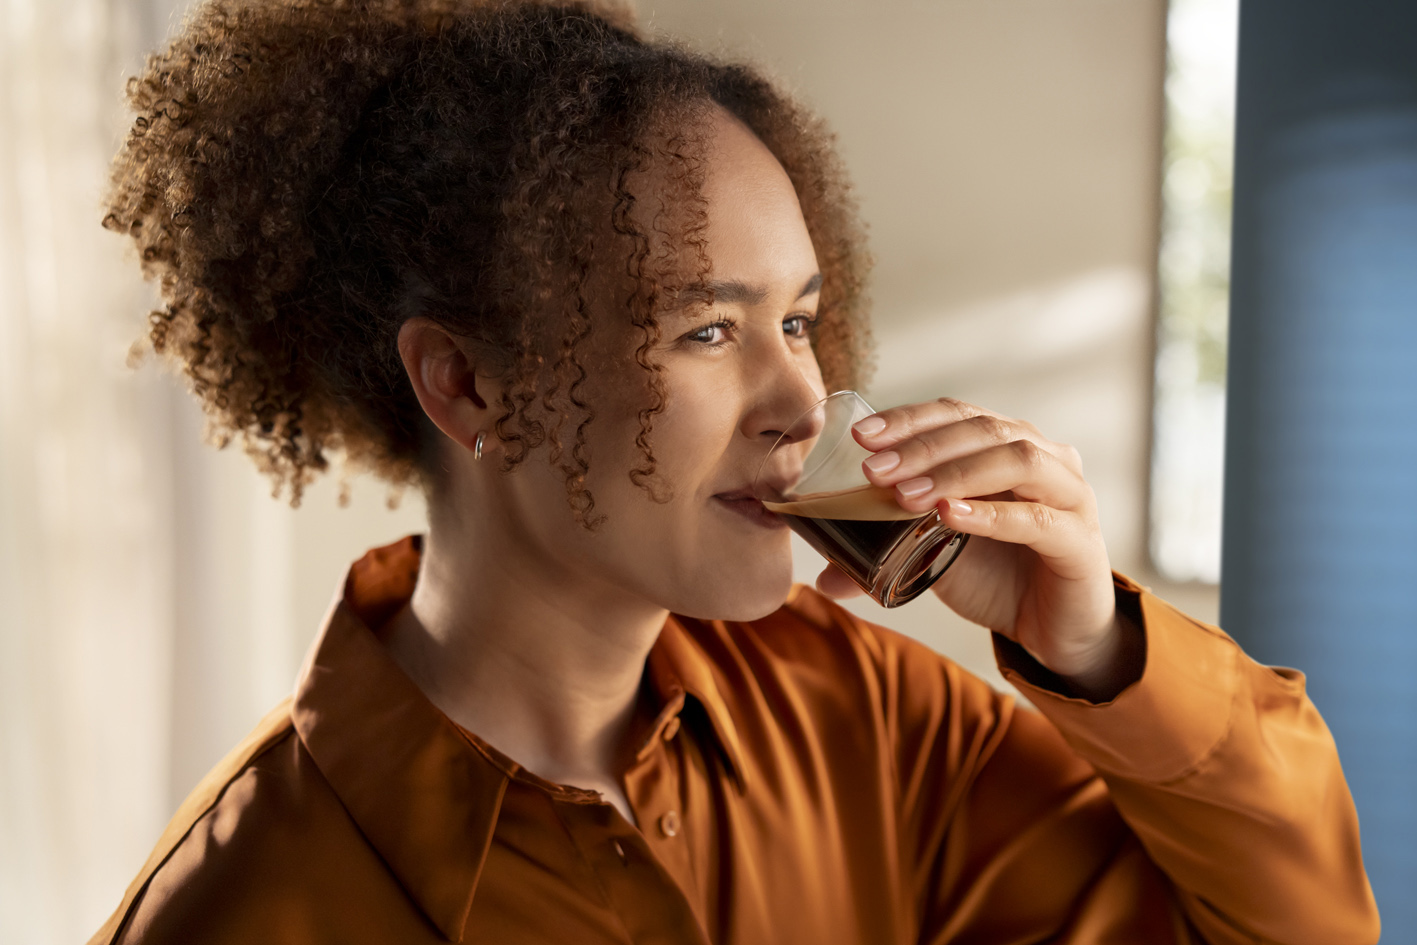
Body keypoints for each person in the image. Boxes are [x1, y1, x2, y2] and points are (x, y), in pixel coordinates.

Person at [91, 0, 1379, 942]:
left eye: (800, 320)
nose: (805, 401)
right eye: (708, 330)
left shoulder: (867, 723)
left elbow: (1300, 930)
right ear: (470, 384)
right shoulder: (241, 907)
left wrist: (1095, 652)